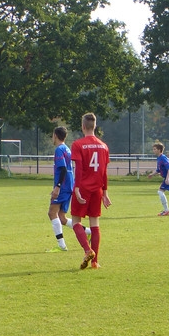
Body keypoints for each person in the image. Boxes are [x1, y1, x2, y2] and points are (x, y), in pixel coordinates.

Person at [69, 112, 110, 269]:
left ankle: (88, 250)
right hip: (97, 189)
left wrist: (77, 188)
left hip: (83, 188)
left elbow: (79, 169)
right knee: (95, 223)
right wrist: (105, 193)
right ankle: (95, 262)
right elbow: (104, 171)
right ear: (95, 126)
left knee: (76, 221)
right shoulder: (103, 146)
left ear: (83, 126)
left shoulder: (78, 145)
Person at [47, 126, 75, 252]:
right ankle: (88, 231)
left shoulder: (59, 149)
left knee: (52, 213)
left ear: (56, 136)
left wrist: (57, 187)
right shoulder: (67, 149)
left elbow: (63, 168)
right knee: (62, 217)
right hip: (69, 185)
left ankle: (61, 245)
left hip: (63, 186)